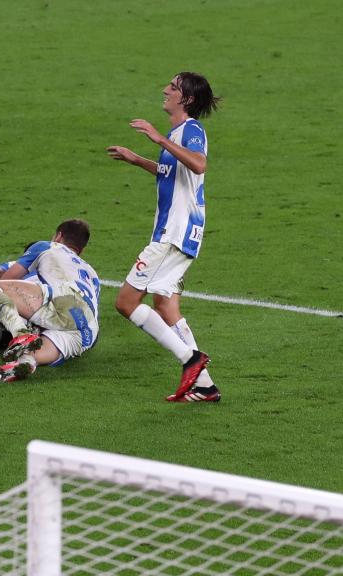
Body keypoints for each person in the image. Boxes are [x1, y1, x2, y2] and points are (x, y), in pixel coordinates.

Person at [106, 72, 221, 403]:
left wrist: (158, 139)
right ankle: (205, 386)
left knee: (126, 303)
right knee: (166, 306)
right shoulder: (177, 134)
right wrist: (137, 159)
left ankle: (191, 360)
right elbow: (171, 173)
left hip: (174, 233)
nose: (165, 90)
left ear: (186, 98)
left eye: (172, 87)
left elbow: (198, 165)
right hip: (181, 233)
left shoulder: (191, 130)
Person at [0, 220, 101, 383]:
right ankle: (26, 363)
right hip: (88, 328)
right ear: (81, 250)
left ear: (58, 236)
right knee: (31, 352)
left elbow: (4, 279)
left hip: (64, 297)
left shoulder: (48, 246)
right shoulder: (92, 273)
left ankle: (21, 335)